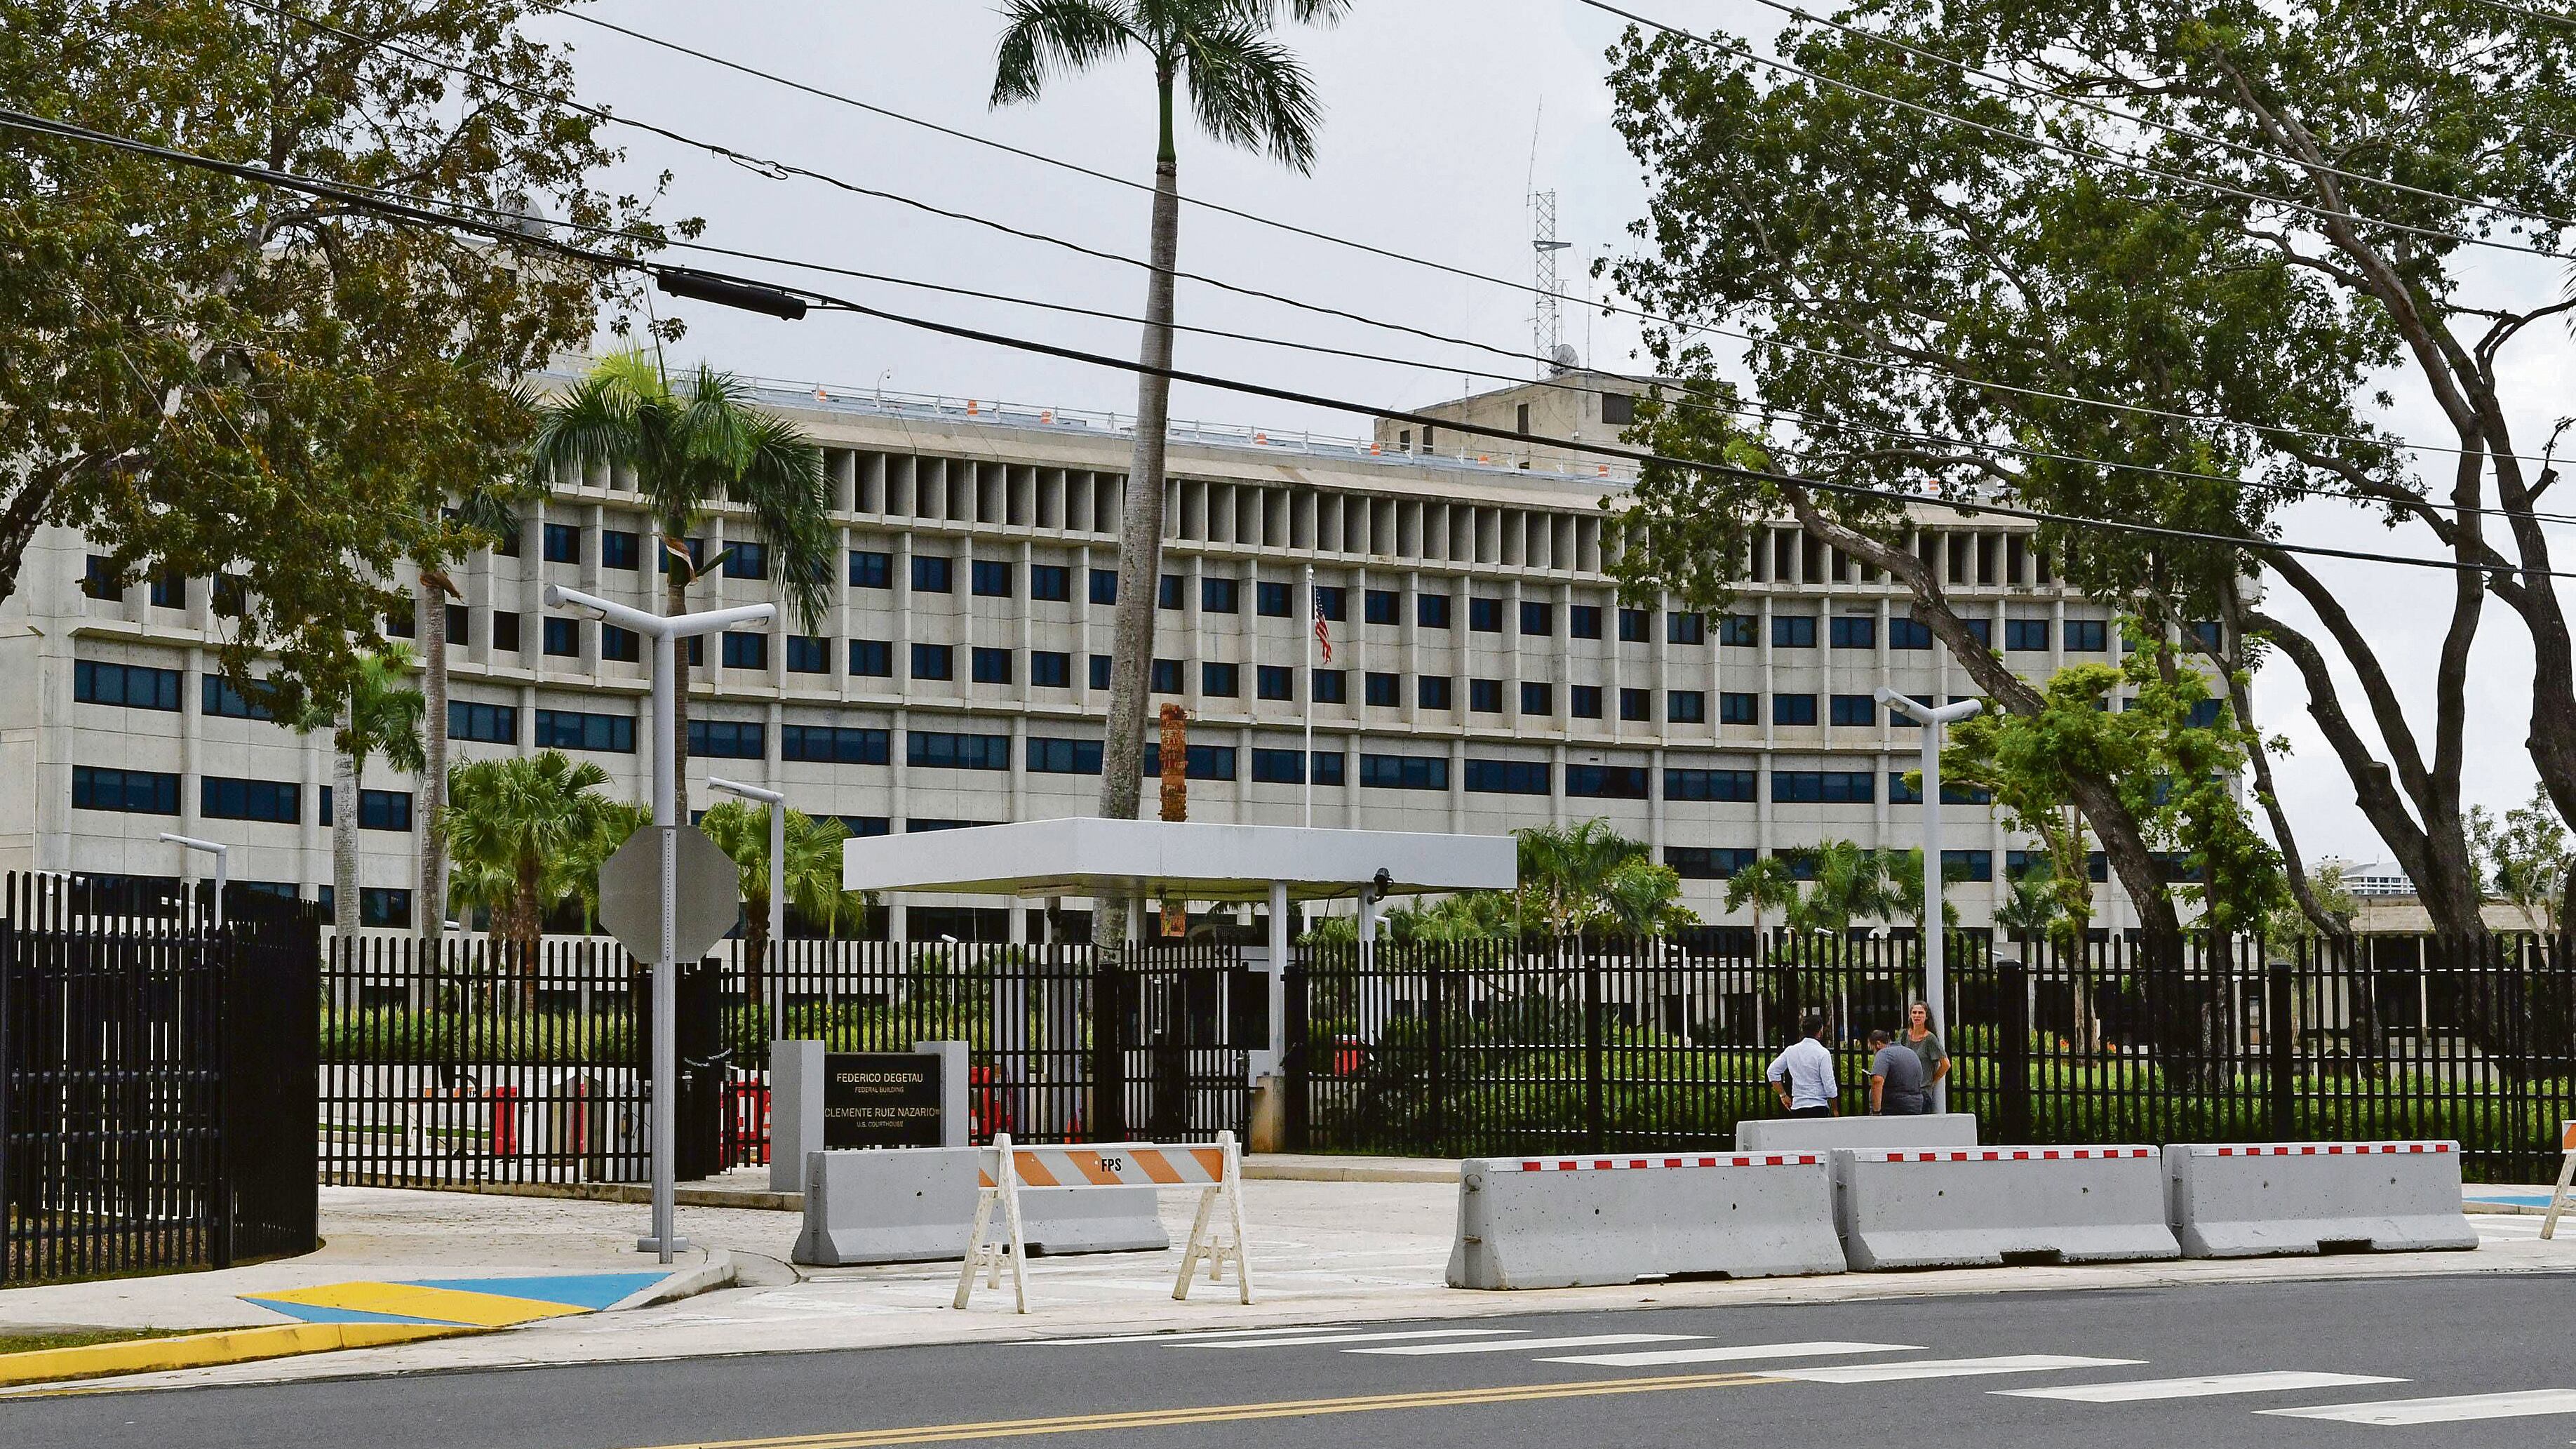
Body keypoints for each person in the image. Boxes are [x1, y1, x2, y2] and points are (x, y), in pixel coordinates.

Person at [1765, 1012, 1837, 1118]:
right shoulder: (1823, 1053)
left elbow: (1772, 1071)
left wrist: (1783, 1095)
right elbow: (1829, 1084)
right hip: (1818, 1106)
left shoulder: (1791, 1051)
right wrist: (1835, 1110)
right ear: (1820, 1031)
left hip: (1798, 1107)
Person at [1867, 1028, 1926, 1115]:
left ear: (1878, 1044)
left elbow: (1877, 1080)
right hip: (1916, 1106)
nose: (1873, 1054)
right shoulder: (1910, 1052)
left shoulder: (1884, 1053)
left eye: (1872, 1049)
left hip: (1892, 1108)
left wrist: (1876, 1111)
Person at [1905, 1001, 1951, 1107]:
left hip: (1922, 1093)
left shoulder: (1930, 1039)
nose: (1917, 1016)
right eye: (1914, 1012)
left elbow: (1946, 1065)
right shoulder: (1904, 1035)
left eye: (1920, 1013)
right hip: (1905, 1092)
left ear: (1926, 1017)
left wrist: (1932, 1082)